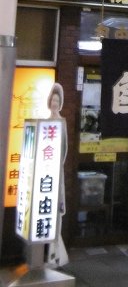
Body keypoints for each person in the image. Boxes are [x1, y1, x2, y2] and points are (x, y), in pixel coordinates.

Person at [46, 83, 69, 268]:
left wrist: (58, 165)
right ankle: (47, 251)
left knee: (57, 209)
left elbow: (65, 149)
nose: (54, 103)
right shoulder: (45, 122)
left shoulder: (62, 122)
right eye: (53, 100)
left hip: (56, 172)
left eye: (57, 100)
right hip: (46, 172)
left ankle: (56, 249)